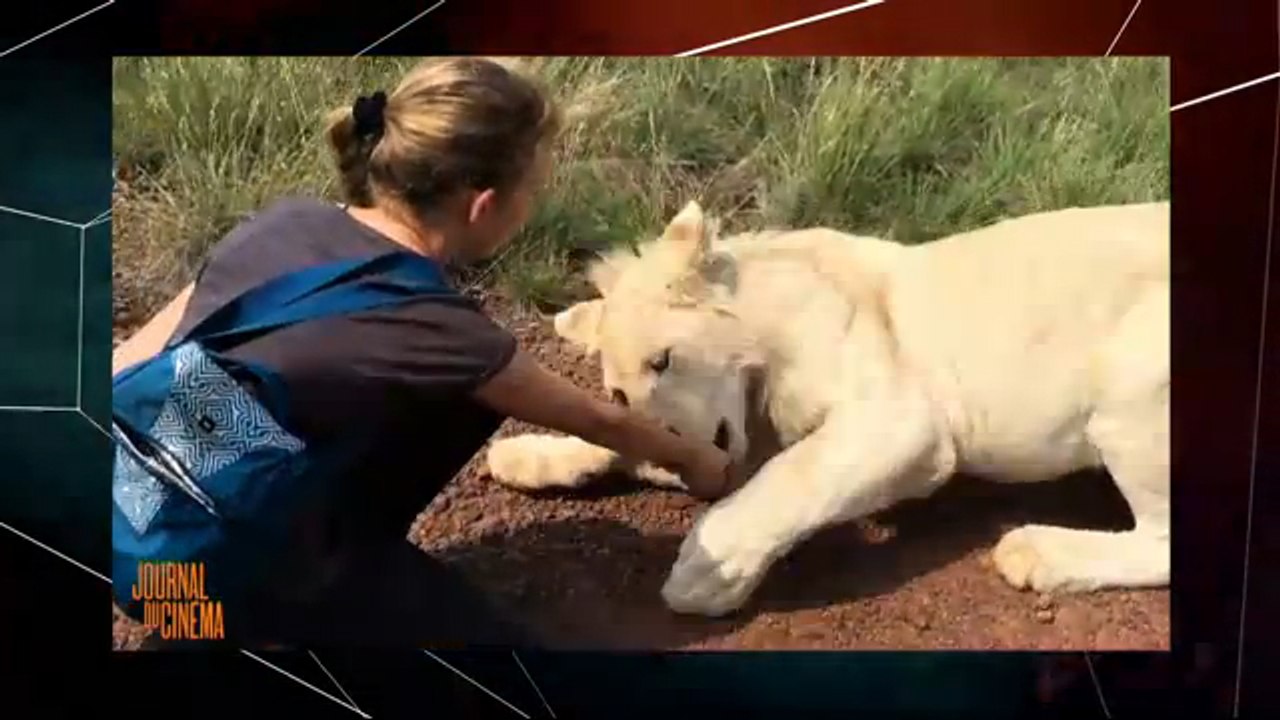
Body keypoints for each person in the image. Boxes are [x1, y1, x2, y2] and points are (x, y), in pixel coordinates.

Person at [113, 57, 734, 649]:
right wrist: (698, 461)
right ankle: (276, 613)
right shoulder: (438, 327)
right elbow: (602, 421)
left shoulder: (287, 219)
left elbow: (135, 357)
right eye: (532, 190)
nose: (533, 206)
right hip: (209, 580)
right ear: (482, 204)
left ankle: (262, 584)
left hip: (128, 542)